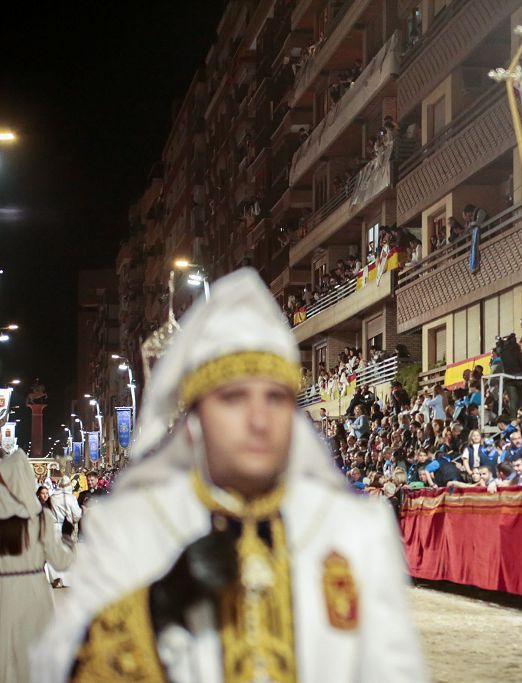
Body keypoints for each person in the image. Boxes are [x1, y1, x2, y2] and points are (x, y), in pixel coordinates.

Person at [34, 269, 426, 682]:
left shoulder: (355, 532)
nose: (259, 419)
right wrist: (154, 607)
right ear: (197, 415)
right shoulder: (132, 528)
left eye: (275, 397)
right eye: (234, 398)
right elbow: (57, 667)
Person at [1, 441, 75, 682]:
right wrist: (68, 540)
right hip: (34, 593)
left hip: (3, 593)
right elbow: (61, 562)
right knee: (33, 660)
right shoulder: (40, 518)